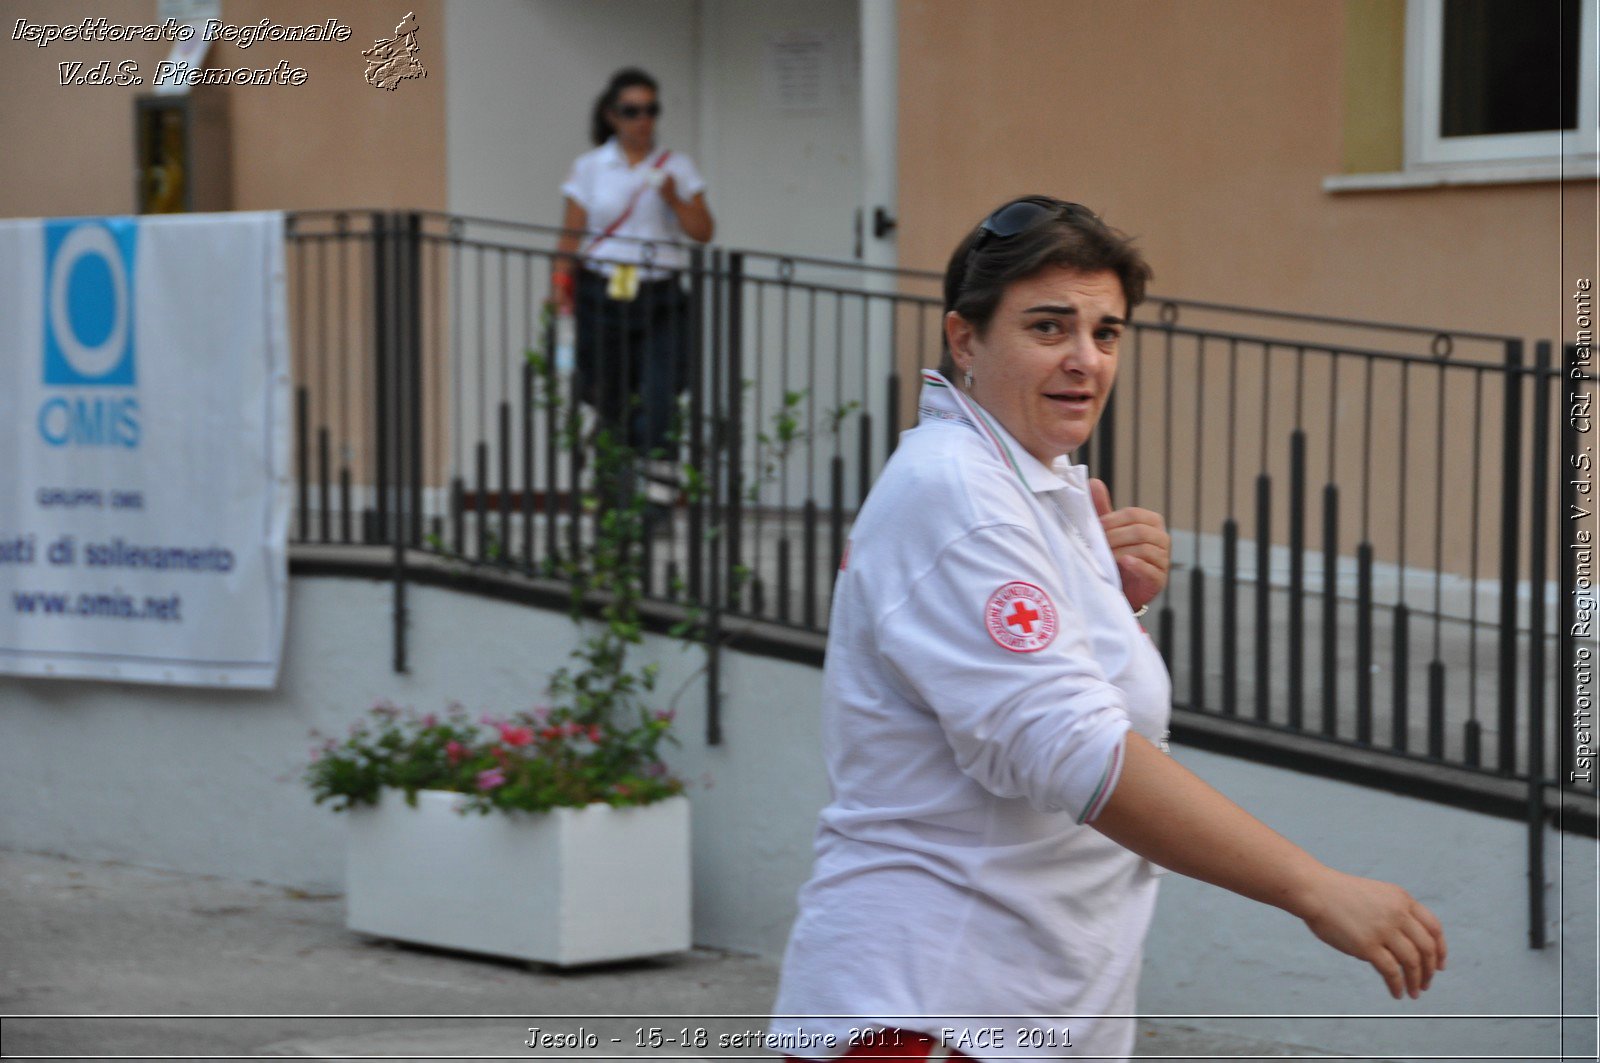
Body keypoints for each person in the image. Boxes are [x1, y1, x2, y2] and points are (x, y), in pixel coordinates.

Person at [767, 196, 1446, 1062]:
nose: (1085, 359)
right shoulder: (961, 496)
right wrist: (1313, 887)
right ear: (964, 339)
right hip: (933, 1007)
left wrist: (1114, 605)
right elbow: (1074, 746)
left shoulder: (1032, 483)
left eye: (1107, 332)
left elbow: (1032, 690)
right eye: (1049, 326)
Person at [553, 67, 714, 524]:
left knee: (661, 397)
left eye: (651, 110)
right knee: (608, 396)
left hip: (660, 294)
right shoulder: (589, 168)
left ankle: (656, 504)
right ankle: (613, 493)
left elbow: (704, 231)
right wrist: (559, 287)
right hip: (604, 292)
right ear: (611, 115)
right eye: (632, 111)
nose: (643, 120)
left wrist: (675, 201)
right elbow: (571, 234)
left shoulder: (676, 167)